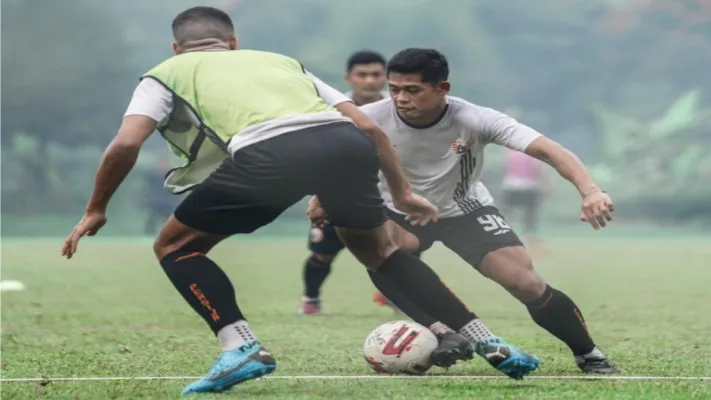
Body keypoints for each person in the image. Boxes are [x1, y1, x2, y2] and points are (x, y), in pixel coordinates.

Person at [60, 8, 538, 395]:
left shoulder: (163, 73)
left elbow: (125, 143)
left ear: (176, 47)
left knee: (174, 246)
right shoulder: (279, 61)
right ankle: (487, 339)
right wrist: (402, 192)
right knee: (381, 252)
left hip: (269, 153)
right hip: (345, 145)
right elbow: (369, 128)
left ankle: (240, 346)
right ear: (232, 42)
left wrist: (96, 207)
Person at [309, 48, 618, 374]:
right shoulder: (369, 117)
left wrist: (591, 191)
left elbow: (549, 150)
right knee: (382, 251)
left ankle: (589, 354)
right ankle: (444, 332)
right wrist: (322, 194)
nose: (400, 98)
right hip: (399, 210)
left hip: (464, 210)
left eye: (413, 90)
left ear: (442, 89)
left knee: (525, 282)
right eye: (395, 88)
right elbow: (330, 154)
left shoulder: (474, 118)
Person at [300, 50, 391, 315]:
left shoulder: (398, 109)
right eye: (362, 74)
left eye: (376, 74)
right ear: (348, 78)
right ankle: (310, 299)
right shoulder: (330, 110)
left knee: (405, 246)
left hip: (387, 192)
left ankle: (393, 296)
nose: (370, 80)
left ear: (385, 77)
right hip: (338, 193)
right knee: (324, 253)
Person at [500, 149, 554, 258]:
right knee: (530, 218)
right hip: (528, 187)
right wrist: (548, 186)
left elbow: (506, 168)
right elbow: (538, 170)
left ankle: (503, 241)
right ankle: (531, 244)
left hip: (510, 186)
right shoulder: (532, 154)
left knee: (507, 217)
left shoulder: (511, 153)